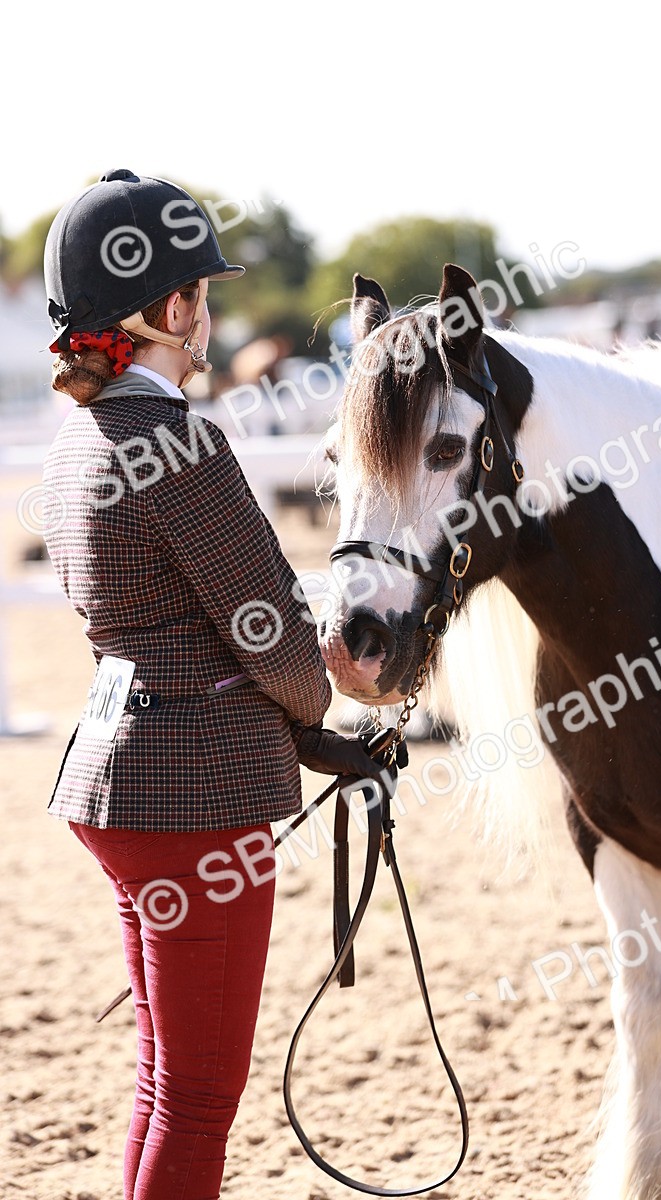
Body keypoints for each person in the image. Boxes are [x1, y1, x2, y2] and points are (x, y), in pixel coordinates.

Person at [40, 168, 383, 1200]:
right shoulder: (178, 443)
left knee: (162, 1078)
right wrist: (325, 704)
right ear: (169, 307)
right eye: (200, 292)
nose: (209, 311)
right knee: (197, 1098)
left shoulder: (75, 443)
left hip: (114, 785)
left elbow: (168, 628)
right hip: (194, 799)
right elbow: (269, 637)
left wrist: (293, 727)